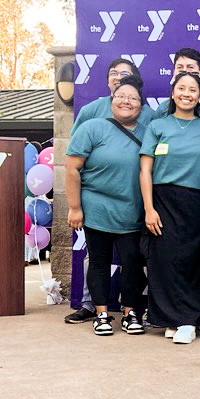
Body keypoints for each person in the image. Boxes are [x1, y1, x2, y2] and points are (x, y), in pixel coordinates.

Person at [64, 58, 154, 325]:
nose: (126, 101)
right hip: (97, 209)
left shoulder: (150, 130)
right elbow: (71, 168)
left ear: (141, 105)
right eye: (120, 97)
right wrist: (75, 207)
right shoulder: (92, 124)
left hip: (132, 210)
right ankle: (101, 313)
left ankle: (130, 313)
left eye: (133, 98)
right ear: (111, 98)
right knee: (99, 262)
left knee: (133, 264)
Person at [153, 47, 200, 333]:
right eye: (180, 67)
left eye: (192, 68)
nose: (187, 72)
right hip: (169, 195)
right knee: (170, 252)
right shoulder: (161, 112)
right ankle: (173, 311)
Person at [139, 72, 200, 344]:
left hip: (197, 200)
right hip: (162, 200)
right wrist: (149, 208)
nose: (186, 93)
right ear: (173, 93)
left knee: (193, 261)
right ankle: (168, 318)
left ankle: (188, 320)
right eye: (181, 88)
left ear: (199, 96)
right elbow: (145, 170)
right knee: (164, 260)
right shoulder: (158, 126)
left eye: (192, 89)